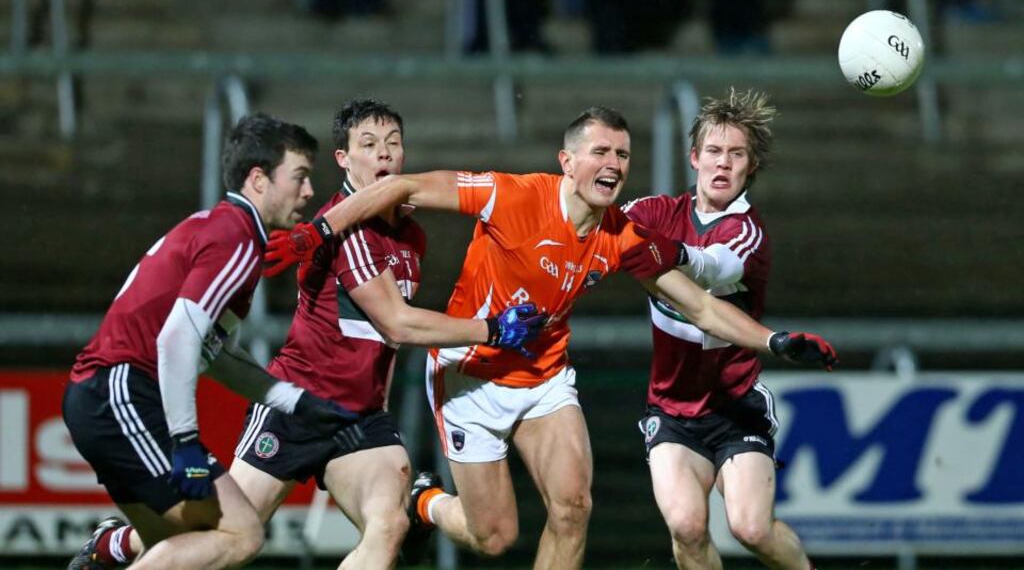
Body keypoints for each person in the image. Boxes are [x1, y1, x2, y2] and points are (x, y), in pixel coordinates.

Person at [263, 106, 836, 568]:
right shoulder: (510, 195)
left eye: (623, 155)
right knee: (494, 538)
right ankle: (425, 502)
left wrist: (774, 341)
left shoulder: (622, 235)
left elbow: (703, 308)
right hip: (471, 377)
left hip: (545, 379)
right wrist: (321, 229)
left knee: (573, 509)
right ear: (567, 161)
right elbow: (404, 186)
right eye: (600, 152)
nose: (613, 163)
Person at [76, 99, 546, 570]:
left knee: (389, 527)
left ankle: (419, 504)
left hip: (357, 417)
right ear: (344, 159)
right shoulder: (341, 229)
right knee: (226, 532)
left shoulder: (410, 235)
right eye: (368, 144)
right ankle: (120, 544)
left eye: (393, 144)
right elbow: (397, 323)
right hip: (297, 410)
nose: (384, 154)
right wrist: (493, 330)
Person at [63, 113, 364, 570]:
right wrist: (185, 442)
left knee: (193, 542)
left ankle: (115, 548)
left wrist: (294, 402)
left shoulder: (225, 229)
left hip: (105, 396)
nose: (308, 192)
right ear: (258, 180)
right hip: (121, 393)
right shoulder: (236, 239)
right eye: (300, 177)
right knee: (240, 533)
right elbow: (177, 340)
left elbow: (213, 353)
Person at [623, 88, 818, 569]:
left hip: (736, 409)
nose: (723, 164)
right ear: (694, 157)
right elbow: (597, 224)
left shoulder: (747, 230)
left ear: (751, 167)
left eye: (736, 154)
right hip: (670, 411)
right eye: (713, 151)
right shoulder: (657, 212)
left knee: (750, 529)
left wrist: (670, 254)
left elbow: (715, 267)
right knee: (688, 528)